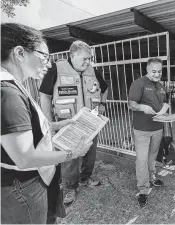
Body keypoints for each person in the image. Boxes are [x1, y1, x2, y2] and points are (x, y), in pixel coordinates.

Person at [1, 23, 92, 224]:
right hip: (23, 188)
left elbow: (29, 130)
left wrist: (65, 123)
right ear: (19, 53)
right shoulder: (8, 94)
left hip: (32, 182)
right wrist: (73, 153)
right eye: (44, 56)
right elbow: (24, 158)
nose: (49, 63)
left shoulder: (15, 87)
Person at [39, 40, 109, 205]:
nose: (88, 62)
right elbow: (45, 95)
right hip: (67, 123)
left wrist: (103, 105)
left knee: (90, 153)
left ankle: (86, 177)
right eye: (85, 58)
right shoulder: (57, 68)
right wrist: (49, 123)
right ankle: (71, 186)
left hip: (90, 121)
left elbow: (105, 88)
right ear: (72, 55)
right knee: (71, 157)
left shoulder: (93, 71)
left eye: (89, 58)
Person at [128, 58, 167, 207]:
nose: (157, 74)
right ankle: (143, 189)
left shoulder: (161, 85)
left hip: (157, 128)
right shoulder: (139, 83)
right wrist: (142, 107)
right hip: (142, 129)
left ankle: (151, 177)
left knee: (152, 156)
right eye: (154, 71)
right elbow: (131, 104)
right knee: (142, 159)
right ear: (147, 70)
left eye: (159, 71)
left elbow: (165, 101)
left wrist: (164, 110)